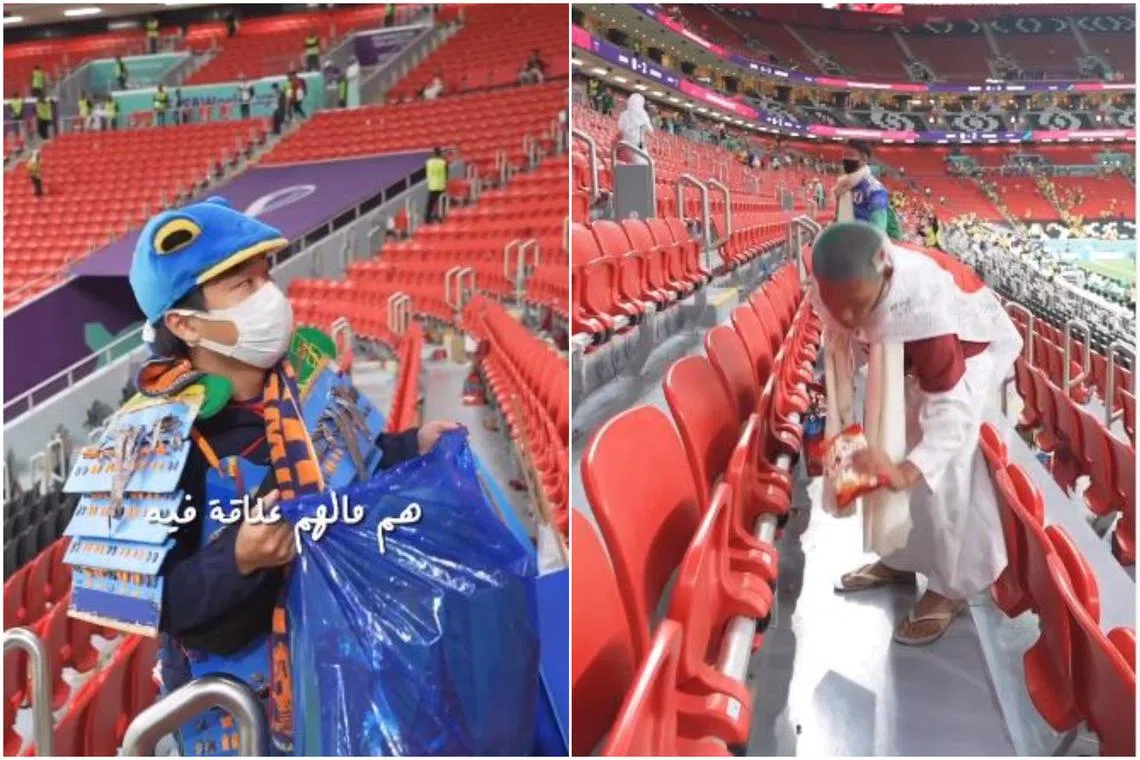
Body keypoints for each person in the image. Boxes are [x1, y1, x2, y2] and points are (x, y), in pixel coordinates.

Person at [111, 196, 460, 755]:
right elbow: (150, 599)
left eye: (265, 276)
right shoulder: (151, 438)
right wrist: (240, 558)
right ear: (183, 322)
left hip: (349, 665)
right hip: (246, 714)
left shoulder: (305, 376)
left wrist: (408, 447)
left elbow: (357, 462)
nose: (268, 297)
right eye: (243, 286)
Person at [812, 221, 1022, 646]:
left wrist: (907, 470)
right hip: (904, 359)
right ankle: (900, 557)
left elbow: (950, 410)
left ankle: (951, 587)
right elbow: (846, 345)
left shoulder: (925, 311)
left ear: (885, 278)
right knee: (887, 445)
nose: (848, 318)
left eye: (857, 306)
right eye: (840, 307)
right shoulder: (832, 283)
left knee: (942, 475)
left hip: (967, 353)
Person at [832, 139, 900, 239]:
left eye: (850, 155)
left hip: (865, 246)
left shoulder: (875, 190)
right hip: (844, 241)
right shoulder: (842, 186)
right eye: (844, 154)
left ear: (864, 159)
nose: (846, 158)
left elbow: (878, 231)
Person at [615, 92, 652, 165]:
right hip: (638, 147)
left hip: (625, 146)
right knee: (642, 165)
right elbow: (649, 131)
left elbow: (620, 129)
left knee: (628, 166)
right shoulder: (642, 114)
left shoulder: (624, 114)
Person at [425, 146, 447, 223]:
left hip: (432, 186)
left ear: (433, 154)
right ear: (440, 154)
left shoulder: (429, 162)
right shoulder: (443, 162)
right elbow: (446, 174)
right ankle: (442, 218)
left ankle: (427, 220)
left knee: (430, 205)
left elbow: (427, 173)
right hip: (441, 185)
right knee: (442, 203)